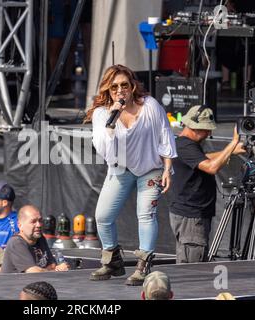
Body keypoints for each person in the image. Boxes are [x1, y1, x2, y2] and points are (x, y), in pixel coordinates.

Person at [84, 64, 177, 285]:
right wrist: (112, 122)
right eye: (114, 86)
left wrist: (167, 169)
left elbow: (166, 135)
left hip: (150, 168)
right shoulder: (102, 114)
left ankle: (143, 264)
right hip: (120, 168)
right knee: (103, 216)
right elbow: (103, 149)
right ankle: (112, 260)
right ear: (108, 89)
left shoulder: (150, 106)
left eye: (124, 85)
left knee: (145, 215)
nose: (119, 90)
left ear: (132, 85)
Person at [169, 105, 245, 264]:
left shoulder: (186, 145)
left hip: (192, 215)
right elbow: (211, 167)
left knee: (194, 257)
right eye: (206, 130)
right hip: (191, 217)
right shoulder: (184, 146)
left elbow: (204, 158)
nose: (209, 134)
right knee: (192, 267)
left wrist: (234, 151)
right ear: (194, 127)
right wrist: (233, 144)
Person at [1, 205, 69, 273]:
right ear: (20, 225)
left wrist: (56, 268)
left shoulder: (40, 238)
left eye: (40, 220)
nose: (38, 225)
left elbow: (52, 265)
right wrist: (56, 271)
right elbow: (34, 272)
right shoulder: (16, 242)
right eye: (33, 221)